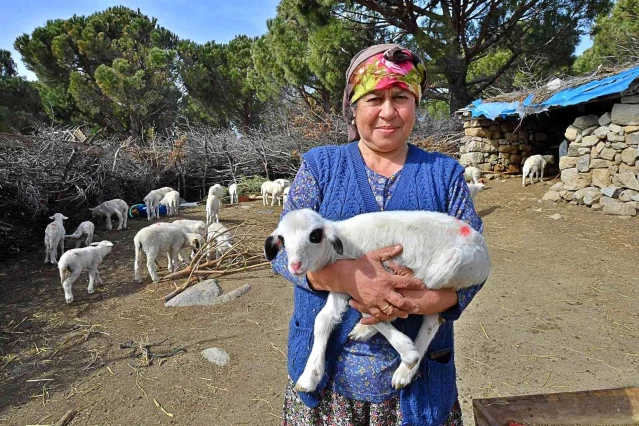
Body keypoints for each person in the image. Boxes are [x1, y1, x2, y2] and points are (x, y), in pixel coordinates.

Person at [270, 43, 485, 426]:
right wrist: (348, 278)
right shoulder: (321, 167)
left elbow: (473, 267)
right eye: (374, 98)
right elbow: (280, 254)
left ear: (416, 104)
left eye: (401, 97)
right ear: (353, 106)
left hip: (416, 389)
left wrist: (419, 302)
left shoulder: (445, 175)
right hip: (331, 389)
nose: (388, 111)